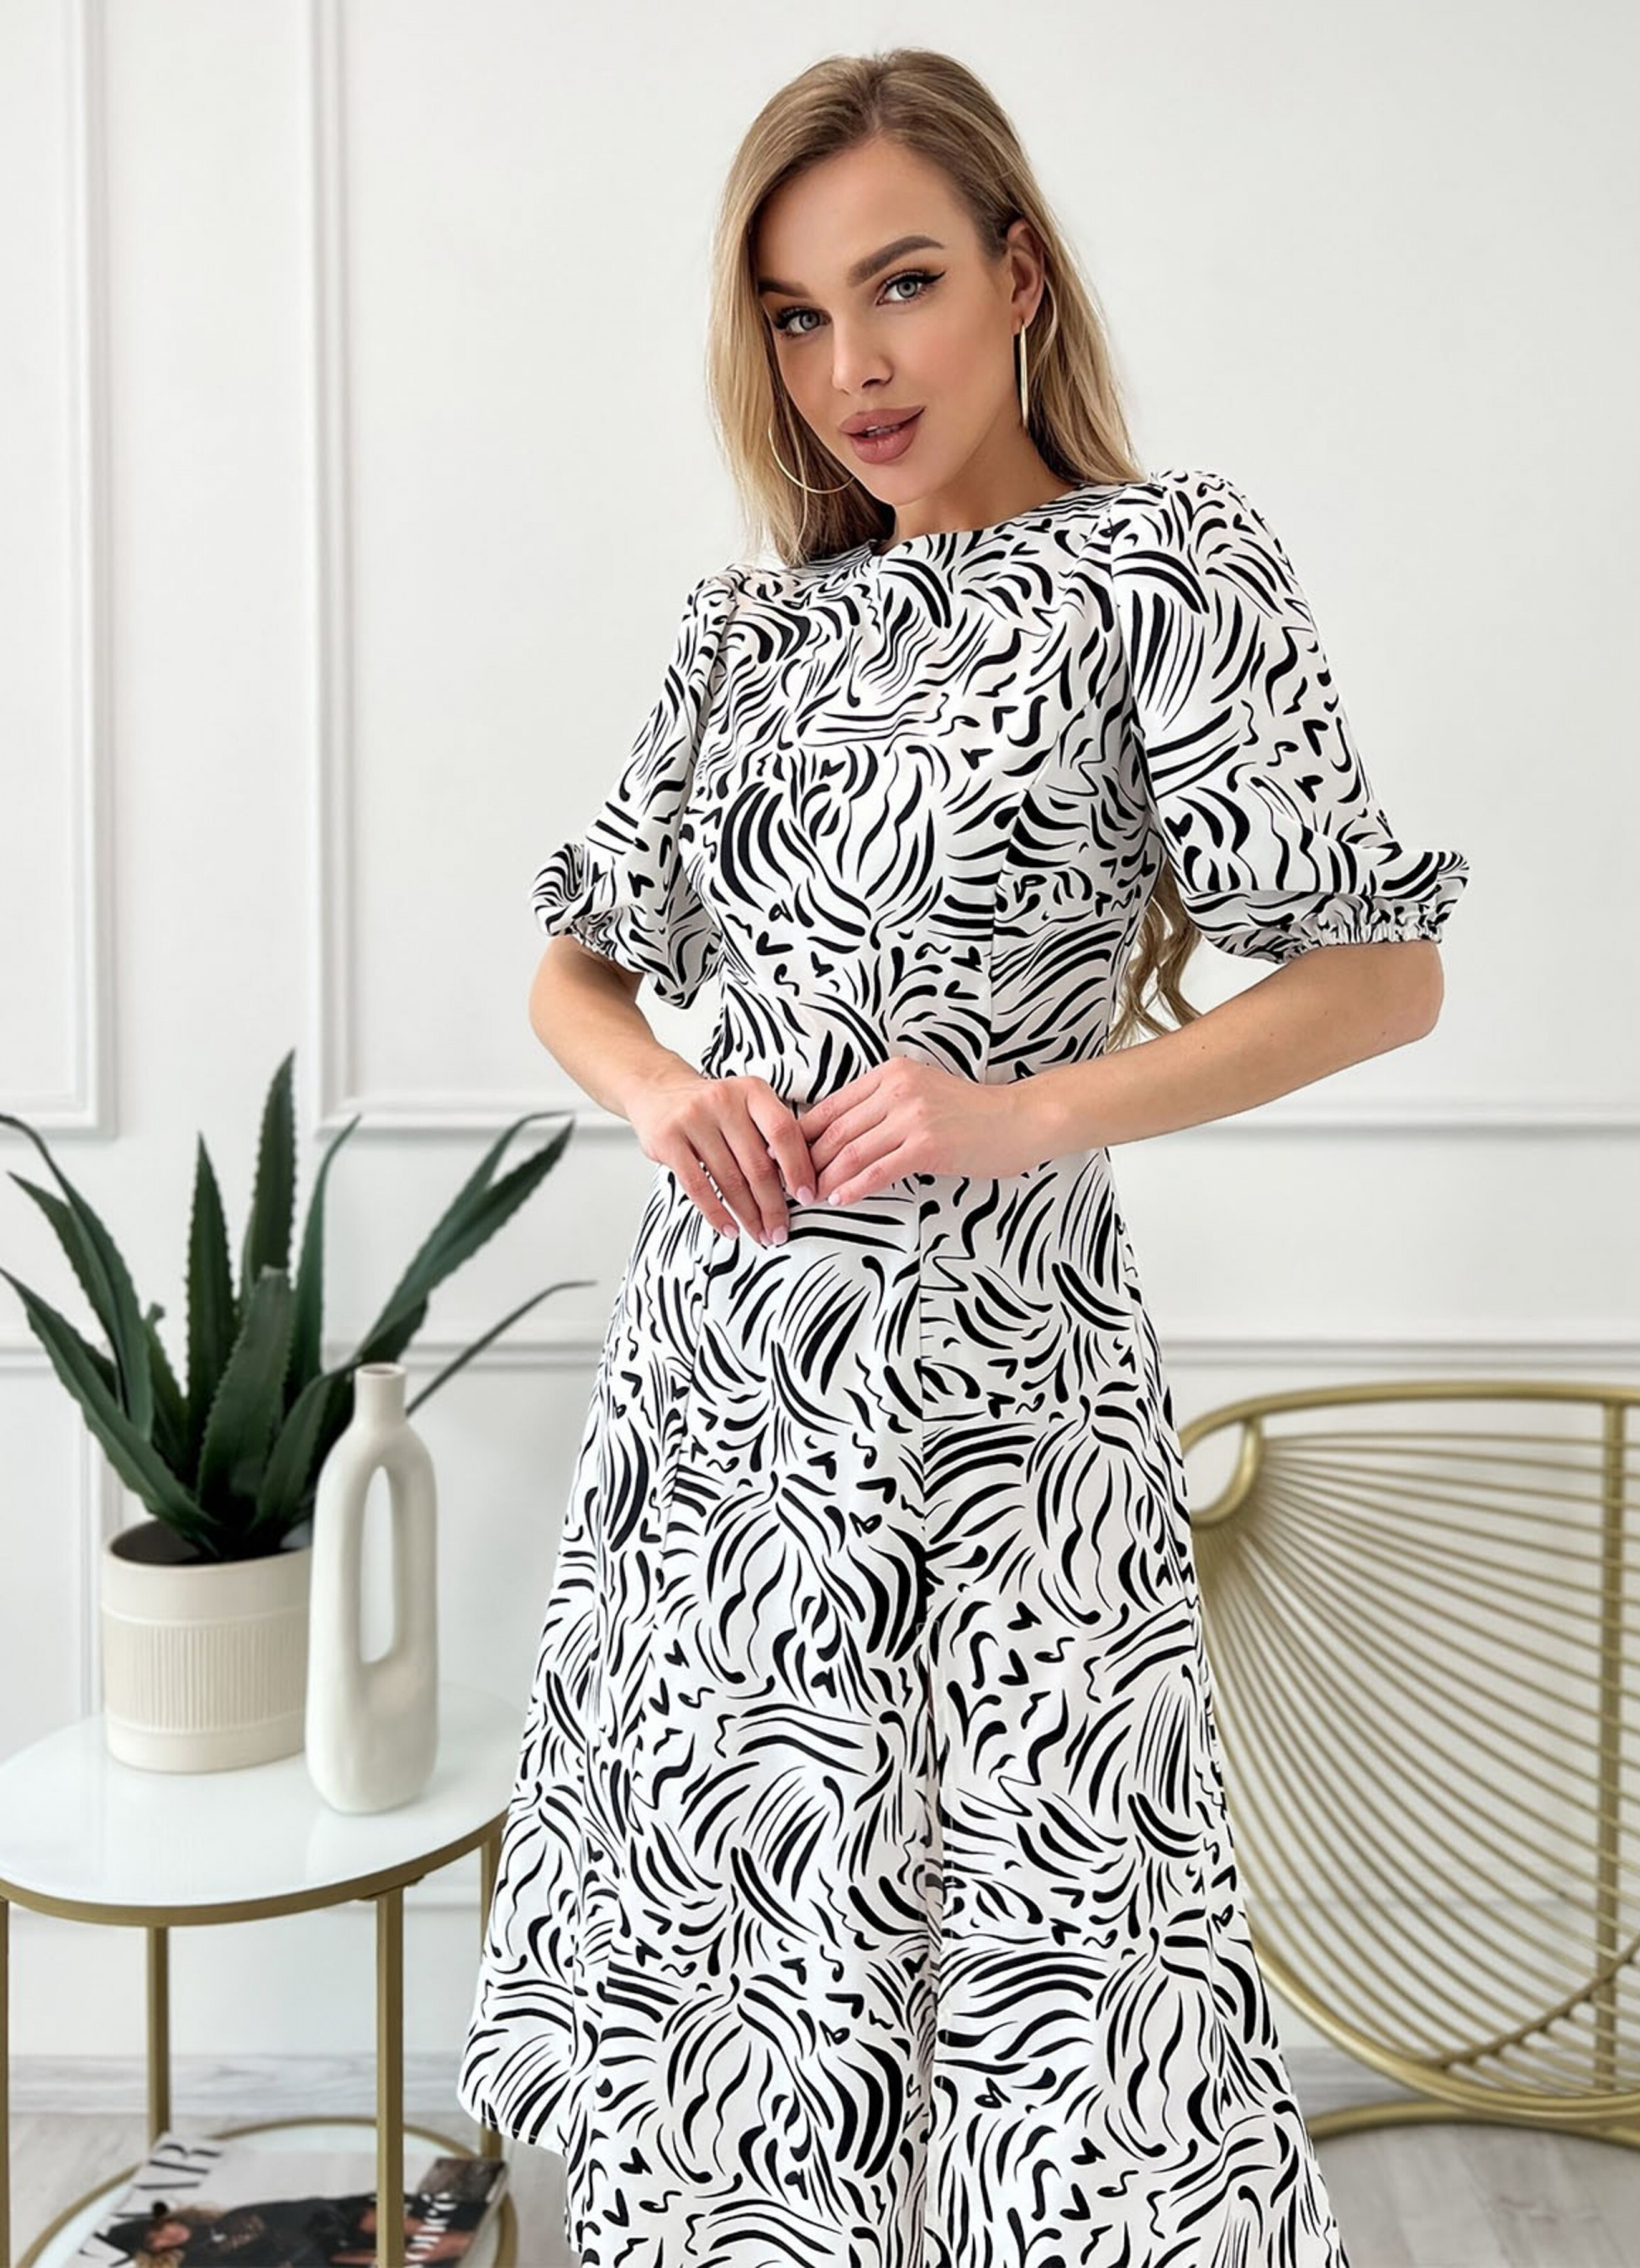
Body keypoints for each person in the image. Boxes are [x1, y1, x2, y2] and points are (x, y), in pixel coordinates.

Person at [456, 44, 1468, 2268]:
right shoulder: (749, 627)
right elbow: (573, 972)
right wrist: (661, 1092)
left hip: (1000, 1403)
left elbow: (1379, 975)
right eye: (797, 316)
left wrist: (1025, 1111)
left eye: (900, 283)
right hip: (720, 1412)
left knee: (1055, 2023)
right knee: (747, 2007)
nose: (854, 366)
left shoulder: (1161, 573)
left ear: (1020, 275)